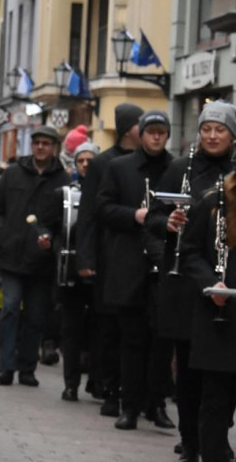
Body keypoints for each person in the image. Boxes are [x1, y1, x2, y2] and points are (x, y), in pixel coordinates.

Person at [147, 101, 236, 461]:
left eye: (220, 130)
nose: (212, 136)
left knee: (223, 371)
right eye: (206, 129)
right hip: (185, 282)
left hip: (225, 285)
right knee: (188, 369)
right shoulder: (179, 168)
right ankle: (191, 438)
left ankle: (214, 433)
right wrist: (167, 224)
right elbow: (153, 217)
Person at [97, 110, 175, 431]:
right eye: (151, 131)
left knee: (161, 340)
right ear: (140, 134)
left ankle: (155, 404)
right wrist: (134, 215)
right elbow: (102, 208)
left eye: (161, 132)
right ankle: (128, 406)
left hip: (166, 266)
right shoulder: (120, 167)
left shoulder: (177, 167)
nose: (156, 137)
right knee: (131, 340)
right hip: (129, 264)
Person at [75, 102, 144, 417]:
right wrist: (85, 257)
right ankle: (105, 385)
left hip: (139, 257)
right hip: (106, 255)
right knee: (108, 326)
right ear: (129, 127)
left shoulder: (150, 162)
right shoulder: (103, 163)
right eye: (140, 123)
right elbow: (88, 212)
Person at [0, 126, 70, 388]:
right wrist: (1, 235)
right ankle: (6, 366)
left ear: (54, 147)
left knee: (36, 316)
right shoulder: (13, 174)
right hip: (11, 256)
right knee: (10, 309)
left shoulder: (62, 181)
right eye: (37, 143)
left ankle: (27, 368)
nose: (41, 147)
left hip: (41, 261)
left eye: (46, 143)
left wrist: (53, 242)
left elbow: (66, 223)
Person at [179, 168, 236, 462]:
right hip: (220, 313)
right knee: (214, 400)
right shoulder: (214, 202)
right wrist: (209, 283)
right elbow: (189, 252)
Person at [58, 140, 99, 403]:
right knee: (71, 331)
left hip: (98, 272)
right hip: (71, 272)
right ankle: (70, 383)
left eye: (90, 160)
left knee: (98, 329)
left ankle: (96, 381)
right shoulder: (66, 193)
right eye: (81, 160)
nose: (85, 165)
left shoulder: (105, 191)